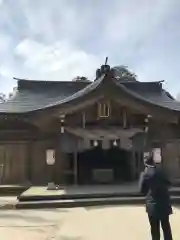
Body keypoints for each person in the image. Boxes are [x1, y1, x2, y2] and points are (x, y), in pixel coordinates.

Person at [139, 155, 173, 240]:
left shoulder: (145, 174)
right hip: (164, 203)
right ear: (153, 161)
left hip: (152, 204)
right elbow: (169, 184)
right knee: (166, 227)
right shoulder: (161, 172)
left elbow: (141, 190)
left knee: (154, 229)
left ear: (145, 163)